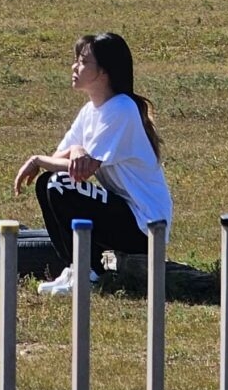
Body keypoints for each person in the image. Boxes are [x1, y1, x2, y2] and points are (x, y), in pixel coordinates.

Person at [14, 32, 172, 296]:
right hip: (124, 213)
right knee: (48, 184)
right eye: (76, 60)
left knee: (60, 186)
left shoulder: (122, 108)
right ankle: (76, 266)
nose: (75, 67)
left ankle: (90, 273)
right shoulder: (90, 111)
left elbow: (82, 169)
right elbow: (62, 156)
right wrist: (71, 150)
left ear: (104, 72)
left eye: (83, 62)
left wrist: (39, 160)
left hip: (146, 225)